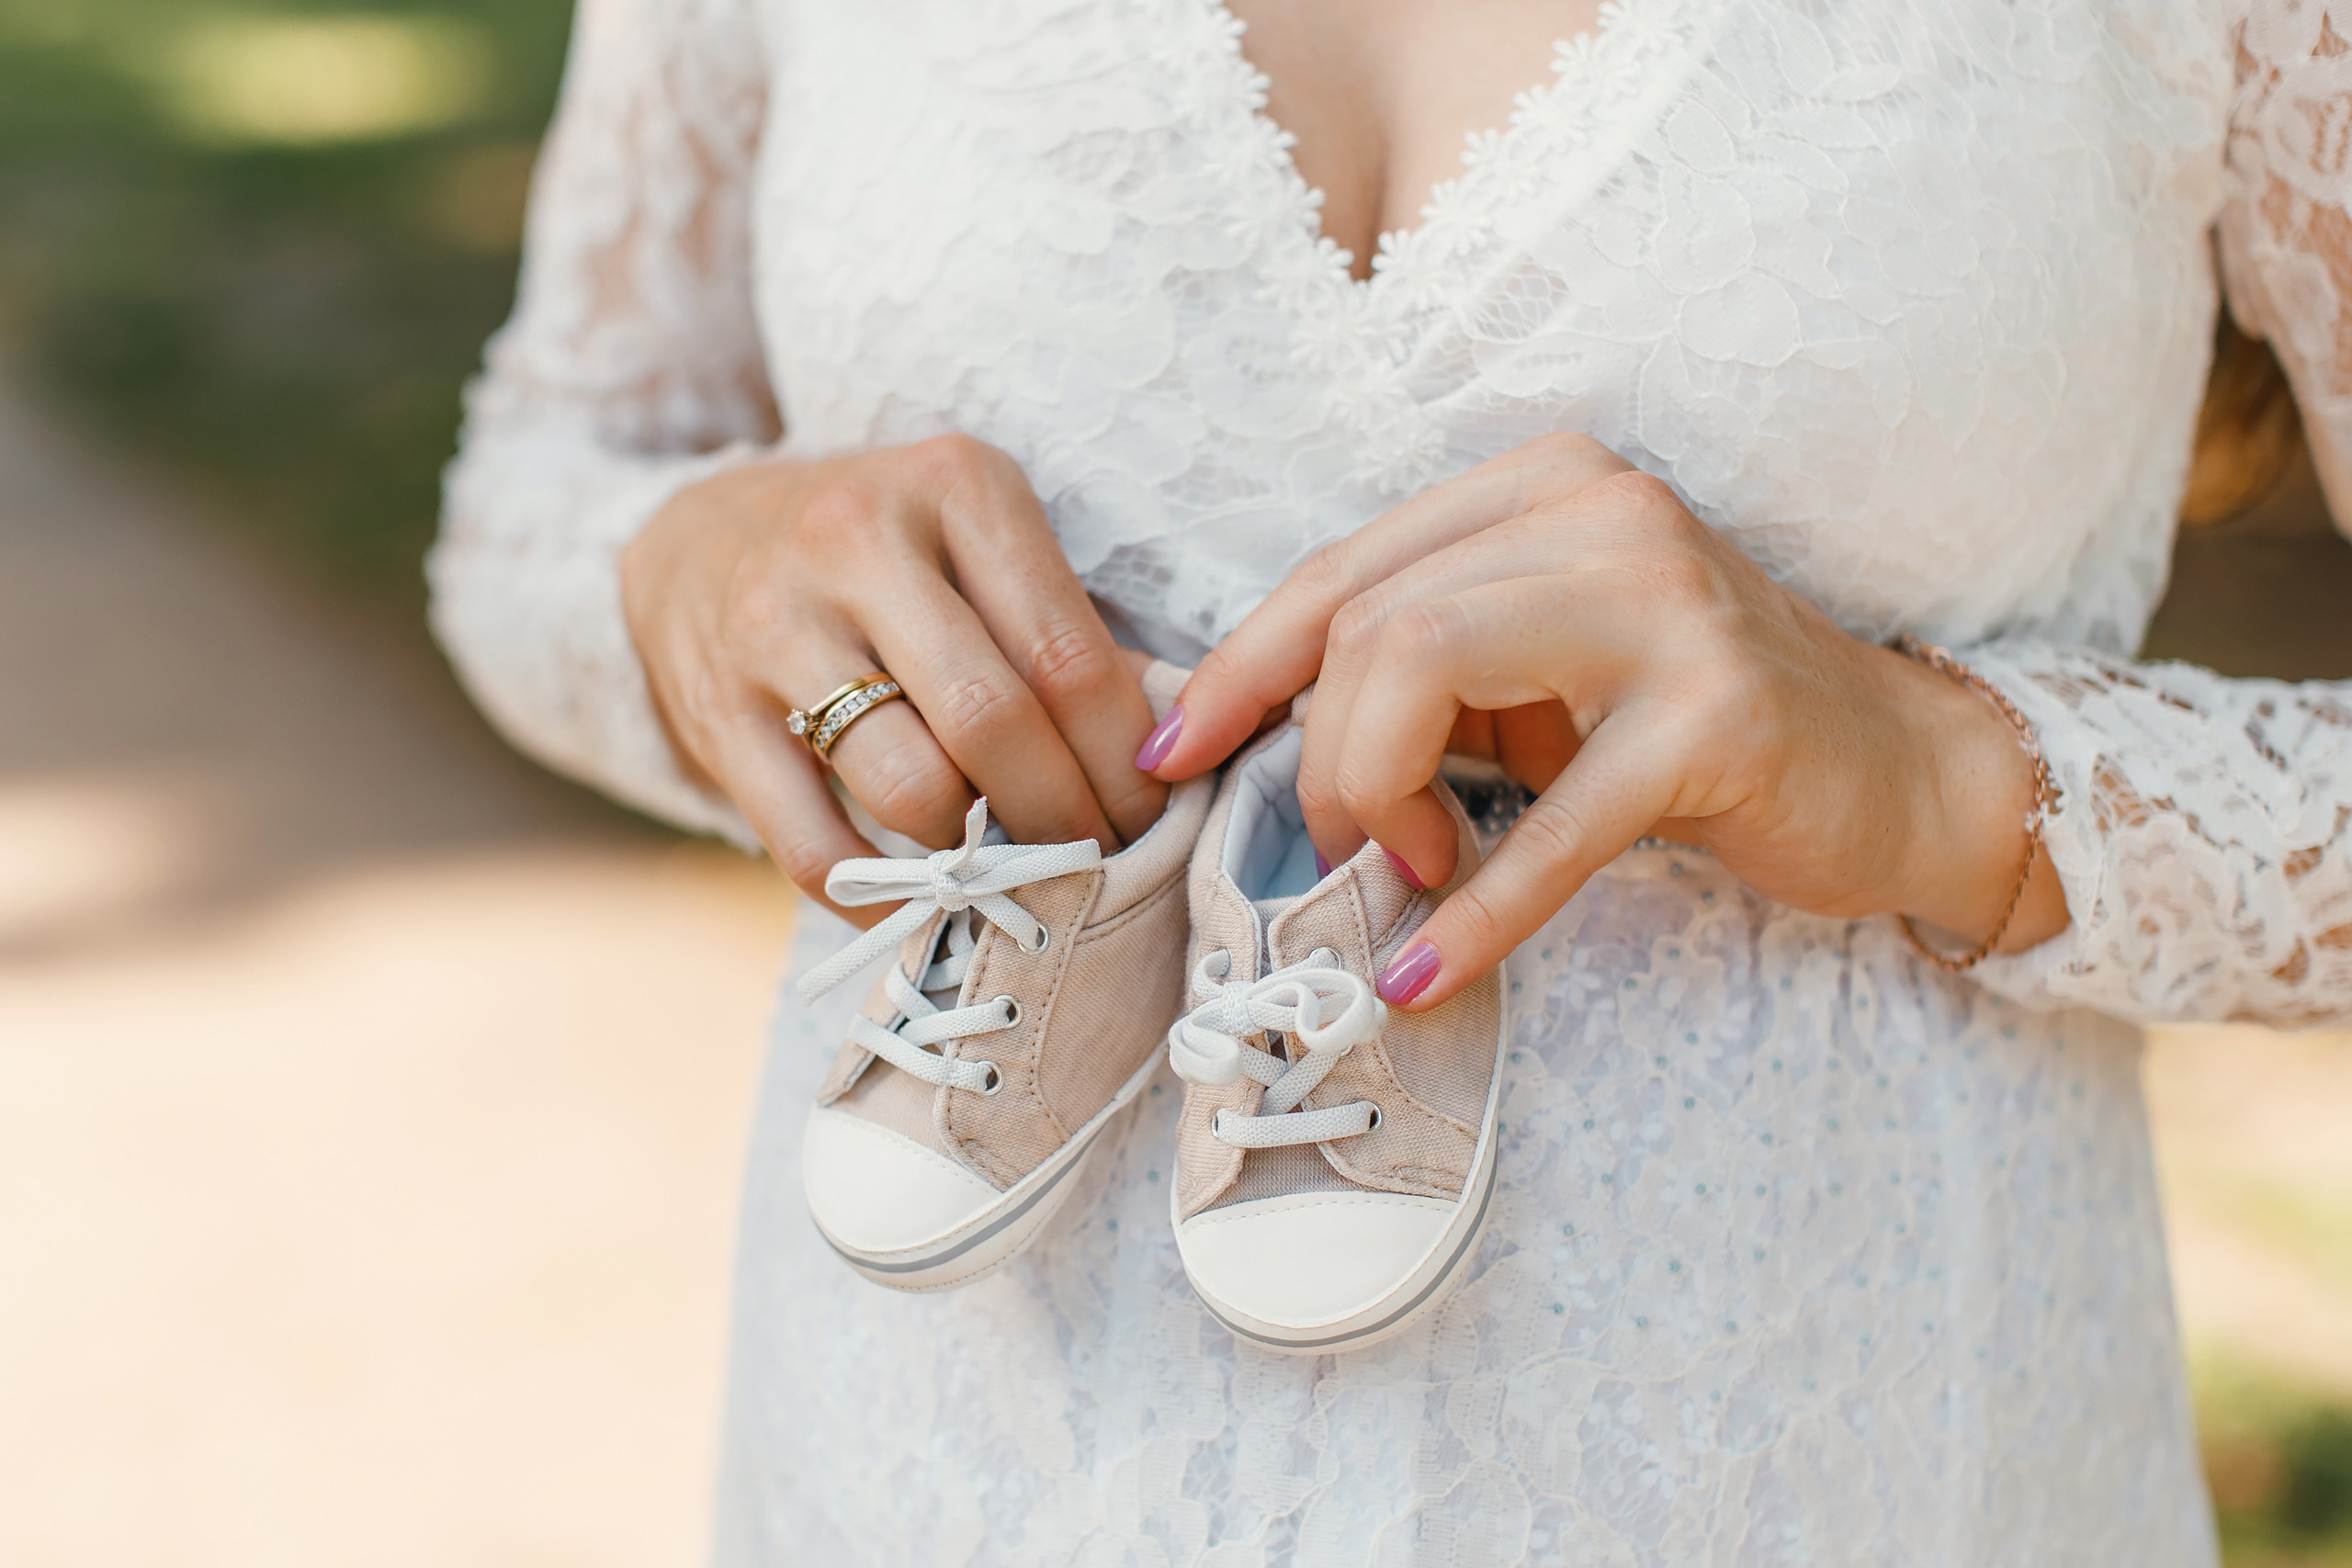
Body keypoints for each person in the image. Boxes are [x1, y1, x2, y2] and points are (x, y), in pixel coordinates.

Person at [430, 0, 2352, 1560]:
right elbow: (540, 486)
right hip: (923, 1463)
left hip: (1847, 1468)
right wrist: (682, 572)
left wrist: (1943, 777)